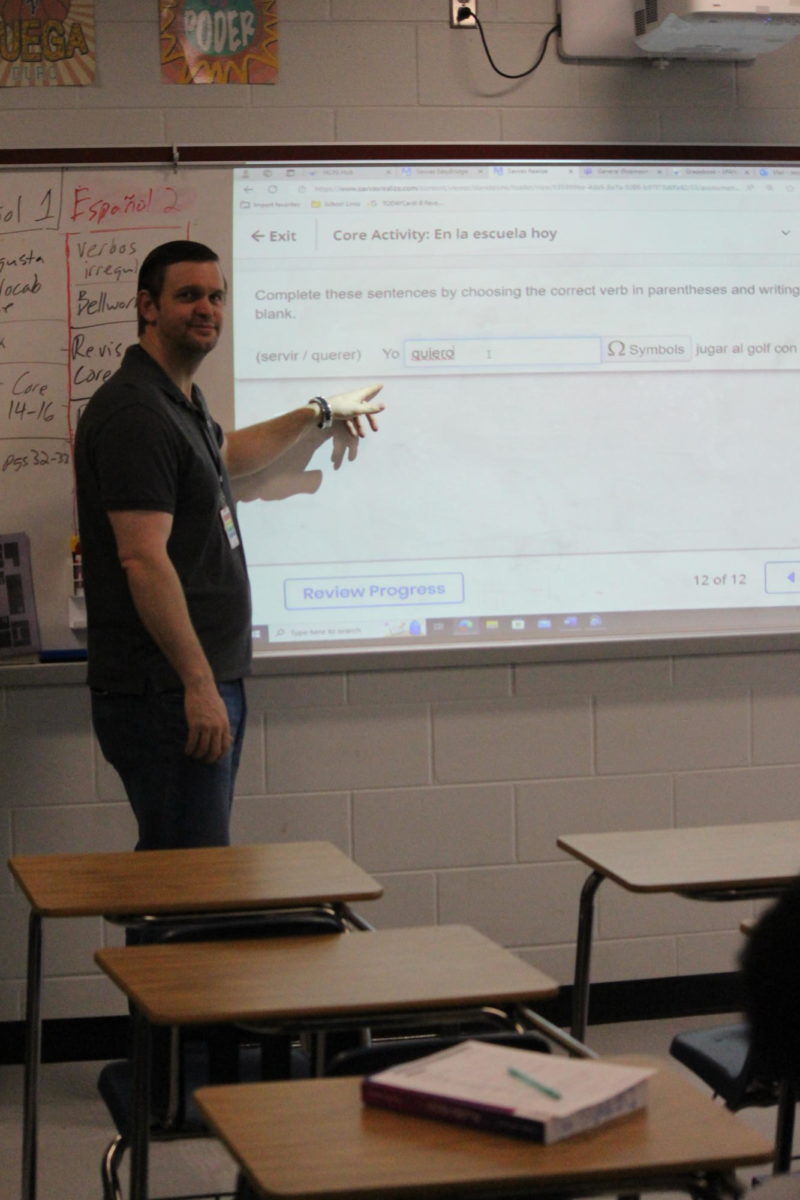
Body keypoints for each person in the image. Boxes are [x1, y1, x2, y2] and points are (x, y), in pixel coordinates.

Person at [74, 239, 384, 852]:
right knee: (189, 882)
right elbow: (142, 558)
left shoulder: (175, 401)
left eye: (216, 296)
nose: (206, 308)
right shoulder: (136, 412)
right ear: (148, 306)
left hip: (191, 685)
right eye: (188, 295)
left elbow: (223, 455)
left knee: (182, 876)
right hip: (168, 691)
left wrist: (318, 412)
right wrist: (196, 684)